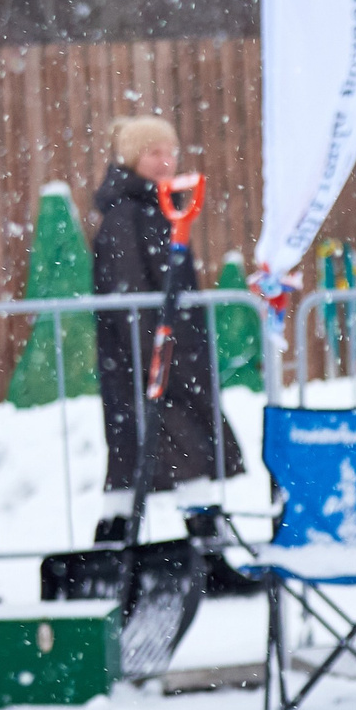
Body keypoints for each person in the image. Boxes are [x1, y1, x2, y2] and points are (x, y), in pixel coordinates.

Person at [90, 115, 254, 589]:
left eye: (170, 151)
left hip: (168, 358)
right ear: (131, 159)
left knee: (160, 458)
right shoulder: (126, 214)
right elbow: (130, 299)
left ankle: (122, 561)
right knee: (172, 452)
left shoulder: (157, 208)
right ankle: (120, 561)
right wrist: (156, 360)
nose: (166, 161)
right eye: (154, 153)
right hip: (145, 364)